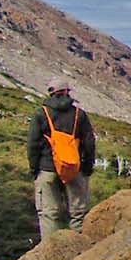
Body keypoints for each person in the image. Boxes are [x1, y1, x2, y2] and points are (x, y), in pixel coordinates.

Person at [27, 76, 95, 238]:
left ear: (51, 93)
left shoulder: (41, 114)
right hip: (74, 168)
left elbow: (33, 144)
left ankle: (50, 253)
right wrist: (87, 166)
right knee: (78, 213)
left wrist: (34, 168)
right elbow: (89, 142)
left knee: (49, 214)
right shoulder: (80, 114)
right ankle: (79, 252)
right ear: (67, 92)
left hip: (47, 169)